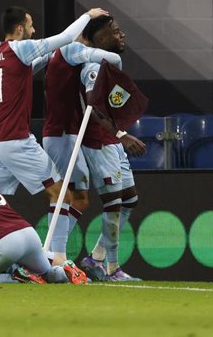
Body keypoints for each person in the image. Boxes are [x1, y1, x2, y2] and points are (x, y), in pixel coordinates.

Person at [0, 5, 107, 267]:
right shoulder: (20, 48)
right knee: (61, 193)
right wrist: (88, 16)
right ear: (19, 29)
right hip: (15, 140)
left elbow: (30, 65)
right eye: (30, 25)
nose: (34, 30)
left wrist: (53, 54)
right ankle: (57, 257)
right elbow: (60, 39)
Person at [77, 15, 146, 282]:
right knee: (114, 204)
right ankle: (111, 268)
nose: (122, 35)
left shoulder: (110, 65)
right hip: (98, 142)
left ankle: (94, 258)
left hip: (113, 140)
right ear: (102, 38)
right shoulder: (93, 66)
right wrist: (122, 134)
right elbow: (92, 107)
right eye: (116, 32)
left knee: (130, 199)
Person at [41, 42, 123, 251]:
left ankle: (50, 251)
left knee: (80, 199)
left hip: (69, 134)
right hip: (60, 134)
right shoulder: (66, 53)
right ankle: (50, 255)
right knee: (63, 195)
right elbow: (113, 59)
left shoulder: (64, 64)